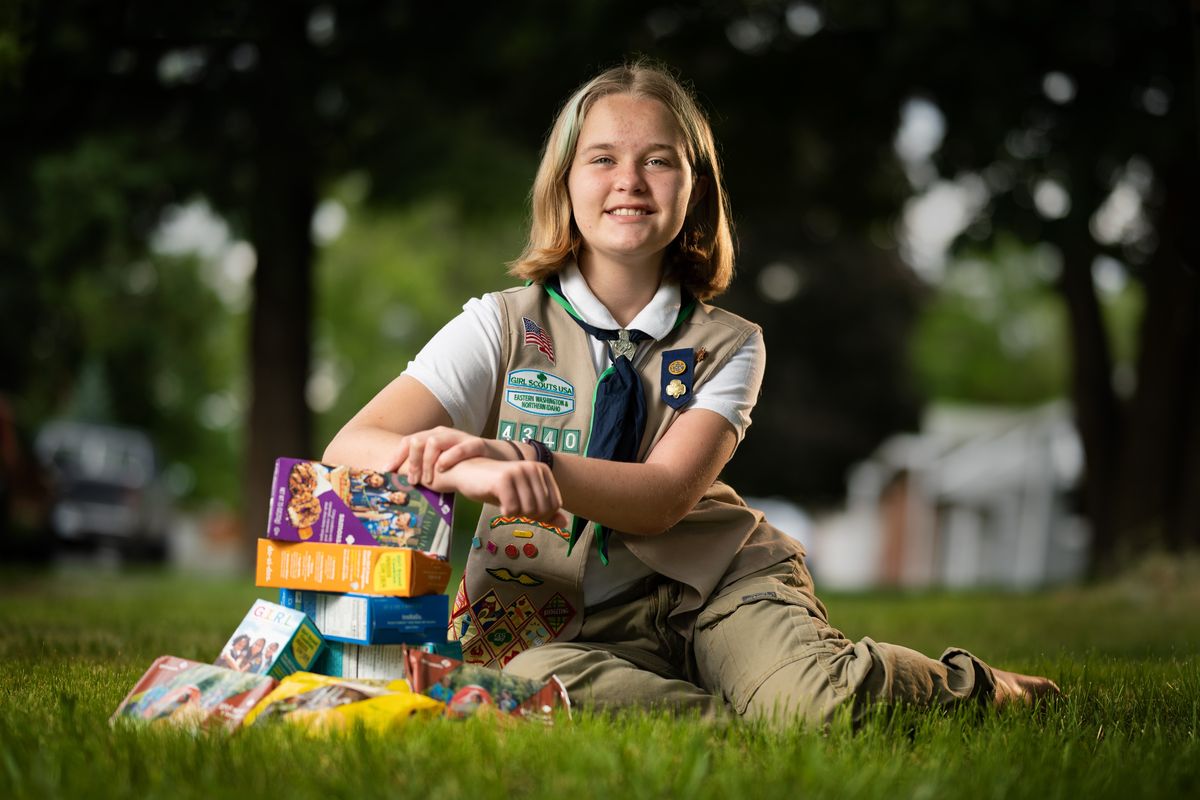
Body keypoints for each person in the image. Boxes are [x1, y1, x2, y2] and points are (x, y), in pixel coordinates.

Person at [324, 60, 1059, 726]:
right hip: (553, 618)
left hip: (716, 582)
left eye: (659, 162)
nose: (629, 182)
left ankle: (975, 688)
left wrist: (523, 459)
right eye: (602, 159)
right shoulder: (500, 326)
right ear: (564, 182)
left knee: (819, 708)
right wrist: (477, 469)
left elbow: (662, 497)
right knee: (534, 689)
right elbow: (350, 448)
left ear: (695, 189)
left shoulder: (731, 343)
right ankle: (741, 710)